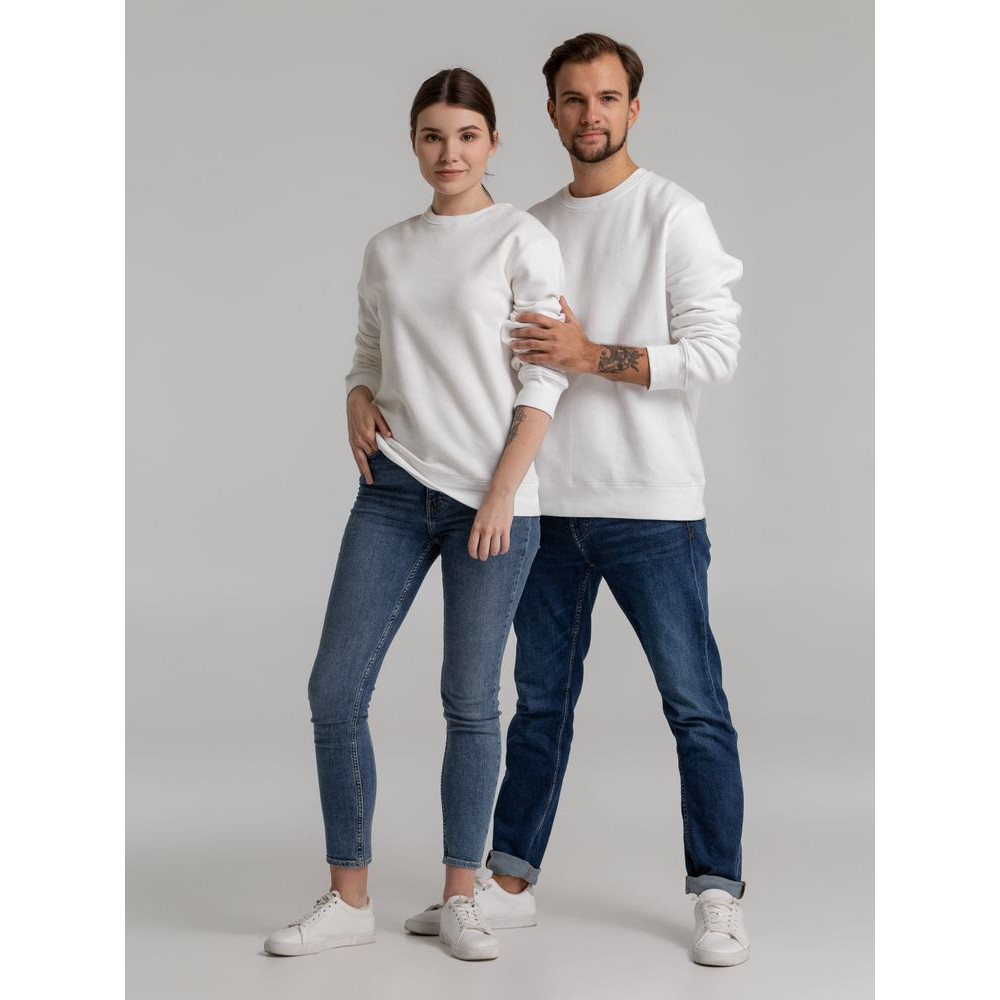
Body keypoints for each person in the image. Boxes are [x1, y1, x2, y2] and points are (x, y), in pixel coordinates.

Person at [405, 34, 750, 966]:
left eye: (605, 98)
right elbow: (471, 354)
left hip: (653, 504)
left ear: (634, 108)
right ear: (550, 112)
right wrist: (365, 390)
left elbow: (715, 352)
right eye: (571, 98)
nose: (589, 114)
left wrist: (593, 355)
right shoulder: (529, 227)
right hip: (546, 505)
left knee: (694, 702)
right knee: (540, 702)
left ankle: (717, 892)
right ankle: (510, 882)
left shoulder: (673, 213)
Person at [264, 67, 568, 963]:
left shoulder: (521, 240)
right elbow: (368, 348)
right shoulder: (388, 247)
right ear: (414, 143)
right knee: (334, 689)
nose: (449, 152)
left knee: (470, 700)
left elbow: (545, 375)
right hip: (394, 490)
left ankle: (461, 898)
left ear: (494, 142)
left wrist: (503, 491)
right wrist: (356, 395)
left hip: (492, 497)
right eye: (434, 136)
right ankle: (349, 898)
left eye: (467, 136)